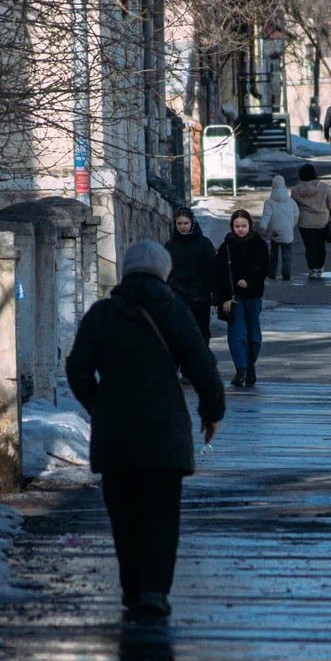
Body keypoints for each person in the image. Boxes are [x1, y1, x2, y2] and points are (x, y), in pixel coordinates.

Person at [66, 241, 225, 617]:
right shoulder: (174, 311)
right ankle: (155, 592)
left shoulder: (102, 314)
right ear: (163, 272)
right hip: (164, 432)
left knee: (124, 517)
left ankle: (132, 589)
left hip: (116, 434)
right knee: (161, 515)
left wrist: (99, 404)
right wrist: (211, 412)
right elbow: (202, 365)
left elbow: (77, 369)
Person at [216, 209, 269, 387]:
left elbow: (264, 268)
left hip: (253, 296)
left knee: (254, 336)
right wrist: (223, 297)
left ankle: (249, 364)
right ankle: (240, 369)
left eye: (243, 226)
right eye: (237, 226)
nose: (240, 229)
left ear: (249, 226)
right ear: (232, 227)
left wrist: (250, 282)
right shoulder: (226, 247)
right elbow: (220, 273)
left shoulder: (259, 245)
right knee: (237, 334)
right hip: (233, 298)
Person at [165, 207, 216, 344]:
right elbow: (165, 271)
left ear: (192, 223)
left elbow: (212, 270)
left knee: (201, 333)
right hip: (178, 297)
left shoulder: (204, 244)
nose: (183, 227)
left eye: (186, 223)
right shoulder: (170, 246)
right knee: (180, 334)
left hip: (201, 298)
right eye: (179, 223)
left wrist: (213, 294)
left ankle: (202, 363)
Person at [291, 163, 331, 279]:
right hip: (322, 221)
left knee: (309, 247)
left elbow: (293, 206)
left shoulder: (295, 190)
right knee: (321, 246)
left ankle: (312, 269)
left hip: (305, 222)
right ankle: (320, 267)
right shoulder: (325, 187)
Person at [259, 175, 299, 281]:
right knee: (287, 253)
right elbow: (296, 215)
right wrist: (291, 225)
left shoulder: (269, 202)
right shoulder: (291, 202)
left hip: (274, 231)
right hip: (287, 231)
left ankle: (271, 273)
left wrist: (263, 226)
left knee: (274, 252)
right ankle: (286, 273)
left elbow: (266, 216)